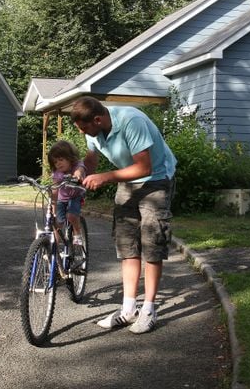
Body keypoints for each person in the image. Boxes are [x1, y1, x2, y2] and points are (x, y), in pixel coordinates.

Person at [70, 96, 176, 334]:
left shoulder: (131, 121)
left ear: (98, 120)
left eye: (84, 128)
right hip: (127, 181)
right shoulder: (93, 129)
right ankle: (128, 309)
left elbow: (144, 167)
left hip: (156, 180)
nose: (82, 132)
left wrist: (106, 177)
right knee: (127, 244)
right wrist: (81, 171)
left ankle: (148, 309)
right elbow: (92, 159)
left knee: (152, 244)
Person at [48, 140, 87, 245]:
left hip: (76, 196)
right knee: (57, 222)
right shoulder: (57, 173)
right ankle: (55, 244)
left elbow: (80, 170)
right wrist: (53, 207)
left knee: (71, 216)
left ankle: (77, 233)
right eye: (55, 162)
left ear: (70, 158)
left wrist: (77, 175)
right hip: (62, 199)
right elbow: (55, 190)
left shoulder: (77, 165)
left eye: (61, 159)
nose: (58, 163)